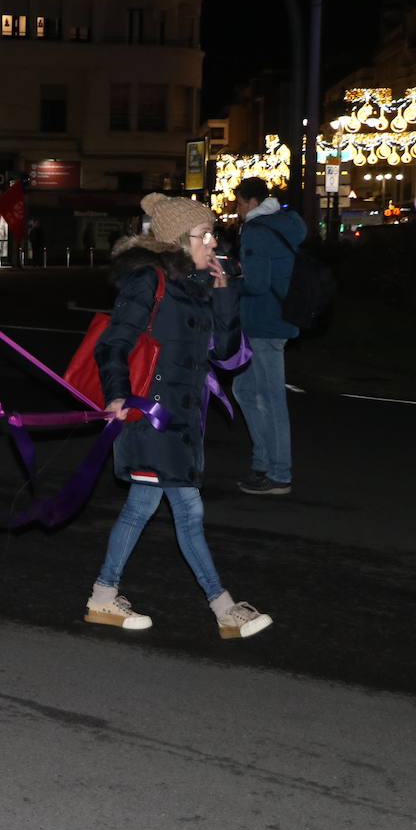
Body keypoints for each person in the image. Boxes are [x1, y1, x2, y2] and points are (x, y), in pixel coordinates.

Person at [82, 192, 272, 640]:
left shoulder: (200, 283)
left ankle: (103, 596)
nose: (212, 242)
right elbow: (113, 343)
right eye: (202, 235)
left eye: (213, 233)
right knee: (188, 510)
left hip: (184, 419)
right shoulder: (148, 279)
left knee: (140, 507)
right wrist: (117, 396)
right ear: (176, 242)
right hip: (150, 414)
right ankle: (224, 608)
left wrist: (225, 292)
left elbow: (227, 355)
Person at [232, 177, 305, 495]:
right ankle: (263, 464)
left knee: (272, 399)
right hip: (277, 318)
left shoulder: (257, 230)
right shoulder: (284, 224)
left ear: (250, 201)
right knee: (245, 390)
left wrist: (229, 280)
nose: (236, 208)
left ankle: (278, 474)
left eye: (238, 202)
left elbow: (257, 284)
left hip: (263, 322)